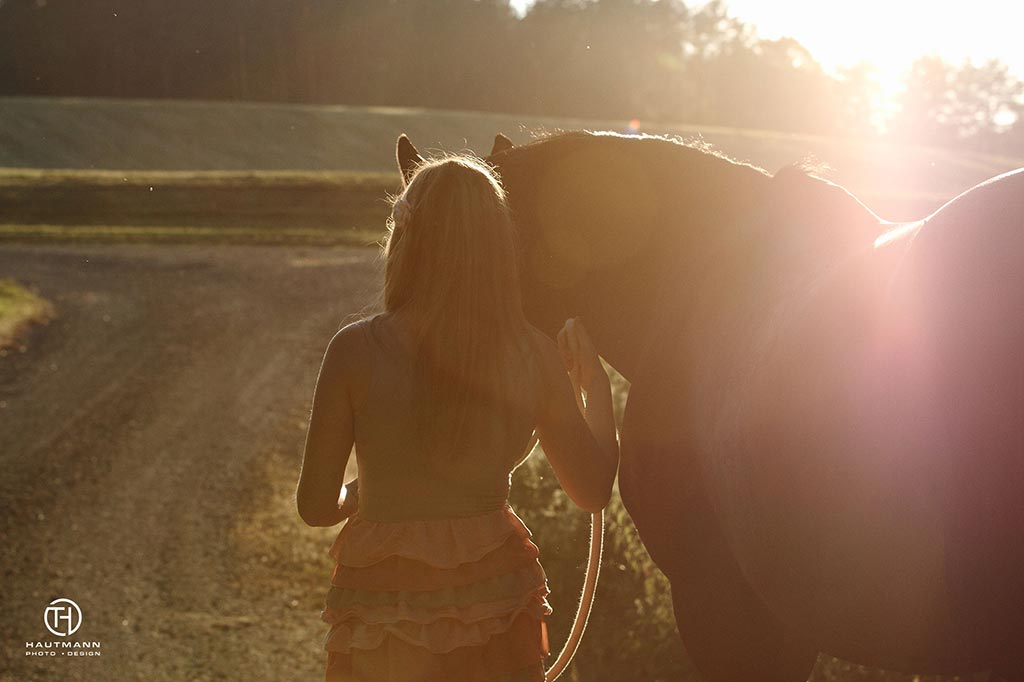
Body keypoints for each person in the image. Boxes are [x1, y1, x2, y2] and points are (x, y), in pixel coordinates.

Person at [296, 152, 620, 682]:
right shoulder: (532, 355)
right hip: (498, 598)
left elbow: (314, 506)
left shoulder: (355, 351)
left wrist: (363, 492)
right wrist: (597, 390)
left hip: (385, 605)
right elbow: (592, 491)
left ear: (407, 240)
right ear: (498, 247)